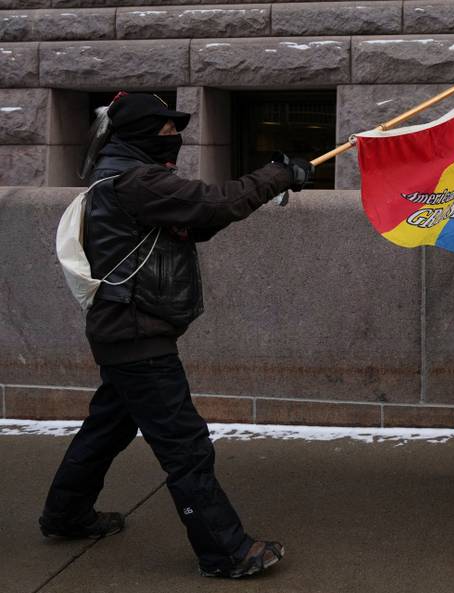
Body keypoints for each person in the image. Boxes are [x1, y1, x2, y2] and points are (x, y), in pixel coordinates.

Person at [39, 93, 313, 578]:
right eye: (165, 131)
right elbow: (214, 204)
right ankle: (226, 552)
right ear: (139, 135)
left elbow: (192, 221)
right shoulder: (137, 181)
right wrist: (279, 173)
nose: (175, 139)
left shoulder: (122, 178)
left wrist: (261, 190)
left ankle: (65, 513)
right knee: (186, 448)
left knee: (107, 429)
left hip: (123, 331)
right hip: (138, 335)